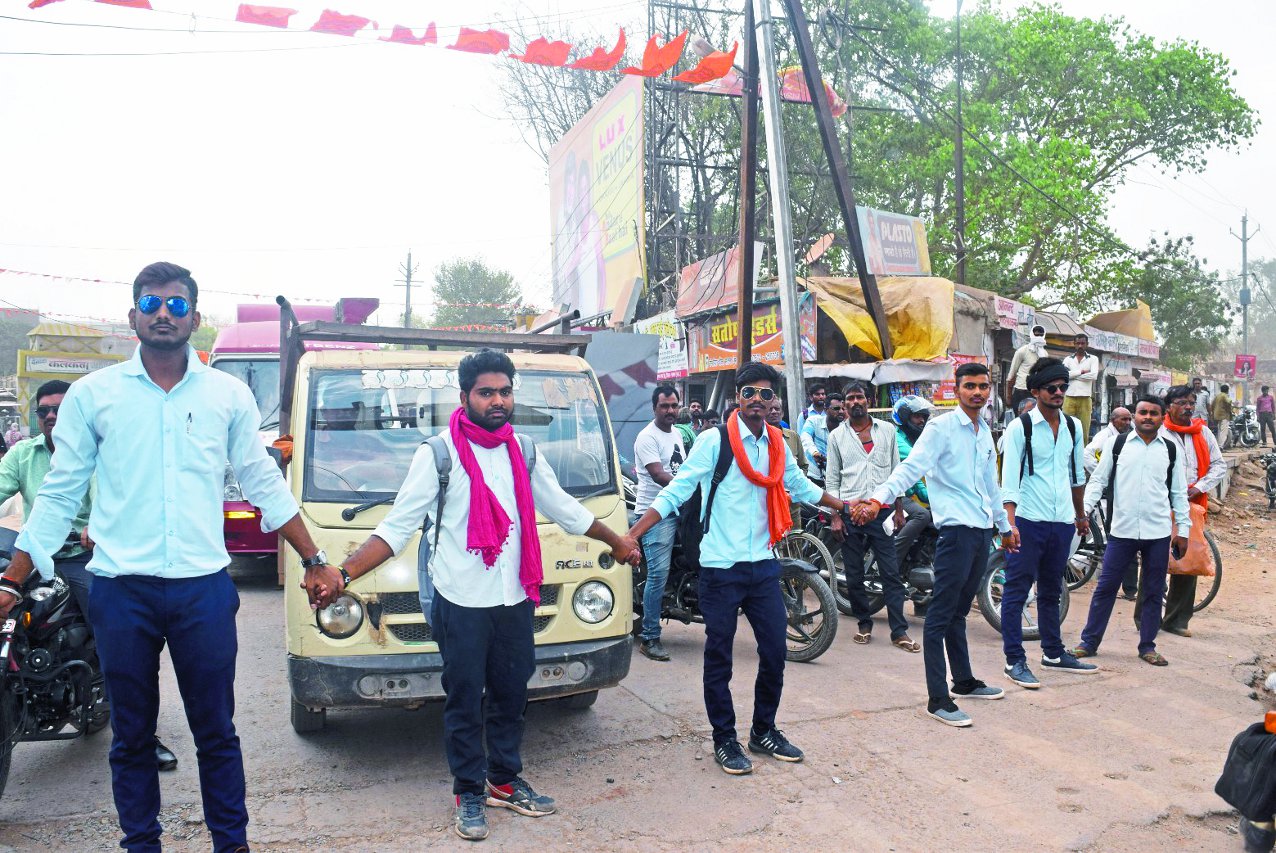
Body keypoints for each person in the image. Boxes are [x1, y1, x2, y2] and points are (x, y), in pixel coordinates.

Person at [0, 261, 342, 853]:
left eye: (177, 304)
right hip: (120, 590)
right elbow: (59, 492)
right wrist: (12, 580)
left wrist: (314, 558)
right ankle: (141, 843)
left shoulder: (226, 395)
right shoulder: (94, 396)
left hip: (201, 589)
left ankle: (231, 844)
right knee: (131, 735)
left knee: (216, 731)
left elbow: (262, 480)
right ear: (133, 316)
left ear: (194, 316)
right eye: (152, 303)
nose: (164, 313)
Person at [336, 349, 641, 841]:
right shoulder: (439, 454)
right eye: (486, 393)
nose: (498, 401)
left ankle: (503, 780)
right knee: (463, 700)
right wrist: (343, 573)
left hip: (515, 598)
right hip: (461, 602)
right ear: (464, 398)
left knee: (511, 695)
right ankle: (468, 792)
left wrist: (617, 541)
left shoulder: (524, 450)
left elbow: (564, 508)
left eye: (505, 392)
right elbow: (396, 528)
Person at [627, 362, 848, 775]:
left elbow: (798, 485)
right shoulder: (714, 441)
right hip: (720, 568)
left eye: (766, 394)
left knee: (775, 651)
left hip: (763, 564)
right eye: (749, 393)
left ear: (774, 400)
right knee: (720, 657)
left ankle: (763, 731)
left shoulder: (777, 443)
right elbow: (677, 490)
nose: (757, 400)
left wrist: (842, 506)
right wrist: (633, 534)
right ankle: (724, 739)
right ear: (737, 397)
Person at [0, 380, 181, 774]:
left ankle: (141, 736)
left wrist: (96, 525)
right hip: (33, 554)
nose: (51, 416)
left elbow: (101, 494)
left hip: (84, 556)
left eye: (60, 409)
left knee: (117, 635)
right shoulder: (23, 453)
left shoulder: (99, 453)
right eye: (44, 411)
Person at [855, 362, 1017, 728]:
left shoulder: (984, 432)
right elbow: (910, 468)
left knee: (959, 611)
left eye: (983, 386)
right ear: (957, 390)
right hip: (956, 532)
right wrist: (879, 499)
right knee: (940, 615)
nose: (977, 392)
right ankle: (937, 698)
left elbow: (990, 485)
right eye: (970, 386)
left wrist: (1004, 526)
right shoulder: (941, 429)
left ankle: (964, 681)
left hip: (981, 532)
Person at [997, 359, 1097, 689]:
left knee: (1052, 589)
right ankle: (1014, 660)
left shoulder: (1073, 427)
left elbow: (1077, 475)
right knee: (1016, 591)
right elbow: (1009, 479)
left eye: (1063, 387)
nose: (1058, 393)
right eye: (1051, 388)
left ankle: (1053, 653)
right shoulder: (1020, 428)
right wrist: (1010, 524)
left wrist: (1080, 516)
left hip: (1062, 521)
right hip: (1028, 520)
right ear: (1036, 391)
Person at [1072, 395, 1190, 667]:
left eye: (1153, 413)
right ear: (1135, 416)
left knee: (1153, 590)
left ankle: (1147, 646)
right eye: (1142, 412)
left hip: (1157, 532)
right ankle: (1089, 642)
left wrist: (1183, 530)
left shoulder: (1170, 449)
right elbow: (1098, 481)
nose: (1147, 417)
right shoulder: (1117, 445)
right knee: (1105, 588)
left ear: (1162, 417)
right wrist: (1083, 511)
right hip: (1121, 531)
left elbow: (1178, 493)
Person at [826, 382, 919, 652]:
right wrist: (835, 516)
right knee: (854, 574)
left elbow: (896, 472)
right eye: (850, 398)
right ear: (845, 404)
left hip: (883, 510)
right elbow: (832, 479)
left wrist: (899, 509)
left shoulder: (887, 431)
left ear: (868, 400)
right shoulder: (836, 437)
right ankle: (864, 624)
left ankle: (899, 631)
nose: (855, 402)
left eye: (860, 397)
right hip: (850, 512)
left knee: (891, 572)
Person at [1154, 384, 1226, 638]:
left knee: (1188, 559)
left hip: (1191, 504)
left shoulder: (1203, 432)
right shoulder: (1158, 431)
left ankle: (1176, 620)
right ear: (1169, 406)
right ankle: (1147, 620)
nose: (1188, 407)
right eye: (1182, 403)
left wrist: (1199, 487)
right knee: (1154, 559)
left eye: (1191, 403)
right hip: (1159, 503)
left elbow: (1219, 465)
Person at [631, 385, 687, 662]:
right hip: (654, 514)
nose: (670, 410)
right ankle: (650, 638)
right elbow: (659, 475)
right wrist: (690, 489)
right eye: (664, 406)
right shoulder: (647, 437)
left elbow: (682, 469)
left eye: (674, 405)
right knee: (658, 574)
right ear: (654, 408)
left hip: (680, 508)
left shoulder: (676, 434)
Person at [890, 396, 933, 562]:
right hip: (893, 496)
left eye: (924, 416)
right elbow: (921, 461)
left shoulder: (911, 441)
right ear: (904, 417)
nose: (921, 421)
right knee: (922, 515)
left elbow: (915, 478)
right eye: (917, 416)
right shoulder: (897, 439)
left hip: (903, 494)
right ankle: (892, 562)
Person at [800, 391, 845, 478]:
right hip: (812, 476)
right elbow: (805, 437)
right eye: (836, 408)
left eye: (843, 409)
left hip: (835, 477)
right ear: (825, 409)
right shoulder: (813, 421)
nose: (841, 411)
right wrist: (814, 452)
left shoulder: (846, 429)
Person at [1062, 333, 1099, 436]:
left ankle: (1083, 447)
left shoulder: (1093, 359)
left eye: (1083, 343)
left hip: (1085, 398)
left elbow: (1094, 376)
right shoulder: (1068, 359)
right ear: (1074, 344)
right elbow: (1064, 375)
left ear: (1087, 344)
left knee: (1084, 430)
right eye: (1078, 343)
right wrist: (1081, 372)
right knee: (1065, 427)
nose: (1080, 346)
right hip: (1069, 397)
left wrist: (1073, 376)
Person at [1005, 325, 1047, 411]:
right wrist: (1008, 397)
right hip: (1022, 390)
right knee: (1020, 417)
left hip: (1037, 391)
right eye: (1036, 335)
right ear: (1032, 335)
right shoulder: (1022, 351)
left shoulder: (1044, 354)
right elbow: (1011, 374)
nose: (1038, 337)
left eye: (1041, 335)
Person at [1083, 407, 1132, 475]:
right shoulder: (1105, 435)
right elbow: (1086, 455)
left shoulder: (1125, 435)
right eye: (1124, 419)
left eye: (1129, 419)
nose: (1128, 423)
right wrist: (1102, 474)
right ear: (1113, 420)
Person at [766, 397, 806, 477]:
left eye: (777, 409)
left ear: (782, 414)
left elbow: (803, 466)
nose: (774, 412)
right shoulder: (758, 437)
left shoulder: (793, 436)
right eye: (770, 409)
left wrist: (797, 481)